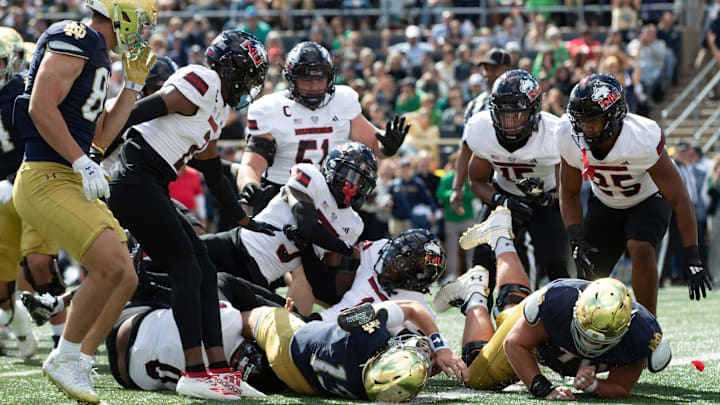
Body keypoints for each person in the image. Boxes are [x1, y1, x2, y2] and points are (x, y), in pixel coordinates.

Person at [106, 30, 276, 400]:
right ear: (230, 67)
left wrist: (243, 218)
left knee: (205, 269)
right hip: (134, 179)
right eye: (248, 75)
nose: (249, 85)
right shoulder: (203, 78)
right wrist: (95, 149)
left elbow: (212, 171)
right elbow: (139, 111)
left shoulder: (218, 105)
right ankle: (194, 370)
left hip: (151, 184)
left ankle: (218, 370)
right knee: (186, 268)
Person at [10, 1, 158, 403]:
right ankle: (65, 354)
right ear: (123, 14)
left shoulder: (98, 53)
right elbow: (41, 106)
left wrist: (131, 87)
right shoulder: (76, 36)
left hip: (70, 176)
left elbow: (101, 137)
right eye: (142, 22)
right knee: (109, 265)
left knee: (125, 274)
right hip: (47, 174)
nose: (143, 32)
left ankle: (78, 359)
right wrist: (79, 160)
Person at [434, 207, 671, 399]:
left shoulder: (642, 336)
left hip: (546, 335)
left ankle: (501, 236)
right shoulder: (557, 303)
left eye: (596, 339)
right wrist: (541, 388)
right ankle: (475, 294)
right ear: (577, 308)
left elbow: (621, 387)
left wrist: (592, 386)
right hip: (539, 338)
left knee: (507, 317)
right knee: (476, 377)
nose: (587, 343)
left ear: (625, 328)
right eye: (585, 333)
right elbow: (515, 344)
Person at [557, 74, 712, 315]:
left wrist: (693, 256)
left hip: (647, 200)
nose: (585, 128)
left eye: (593, 120)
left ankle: (649, 326)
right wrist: (576, 236)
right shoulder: (567, 134)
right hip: (606, 202)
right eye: (581, 120)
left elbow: (680, 197)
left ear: (614, 116)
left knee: (640, 248)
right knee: (588, 273)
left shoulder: (641, 137)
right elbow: (568, 190)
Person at [200, 142, 376, 315]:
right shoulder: (310, 175)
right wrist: (344, 248)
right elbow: (307, 225)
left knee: (220, 318)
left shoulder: (353, 224)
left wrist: (307, 250)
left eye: (362, 183)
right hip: (234, 245)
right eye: (350, 176)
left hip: (258, 278)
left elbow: (322, 279)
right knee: (180, 255)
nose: (353, 187)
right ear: (333, 168)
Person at [237, 41, 409, 214]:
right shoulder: (269, 108)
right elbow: (252, 164)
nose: (314, 86)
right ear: (291, 79)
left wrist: (388, 146)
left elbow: (374, 145)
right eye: (306, 79)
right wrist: (250, 185)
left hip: (331, 196)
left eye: (319, 78)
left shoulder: (342, 100)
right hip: (281, 192)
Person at [464, 70, 569, 298]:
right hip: (502, 196)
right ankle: (482, 321)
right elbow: (476, 181)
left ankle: (564, 319)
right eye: (504, 113)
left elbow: (568, 192)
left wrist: (547, 198)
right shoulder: (482, 130)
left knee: (557, 262)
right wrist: (501, 200)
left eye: (517, 114)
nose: (510, 122)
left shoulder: (554, 133)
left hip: (546, 200)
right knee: (481, 263)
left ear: (533, 111)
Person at [246, 299, 466, 401]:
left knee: (249, 314)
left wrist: (441, 347)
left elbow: (413, 308)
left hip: (287, 343)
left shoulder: (369, 337)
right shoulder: (370, 392)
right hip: (304, 385)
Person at [451, 48, 512, 216]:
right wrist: (457, 187)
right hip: (488, 185)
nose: (487, 74)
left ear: (507, 70)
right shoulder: (475, 105)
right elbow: (466, 148)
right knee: (486, 238)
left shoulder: (523, 99)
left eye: (493, 68)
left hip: (519, 176)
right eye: (485, 69)